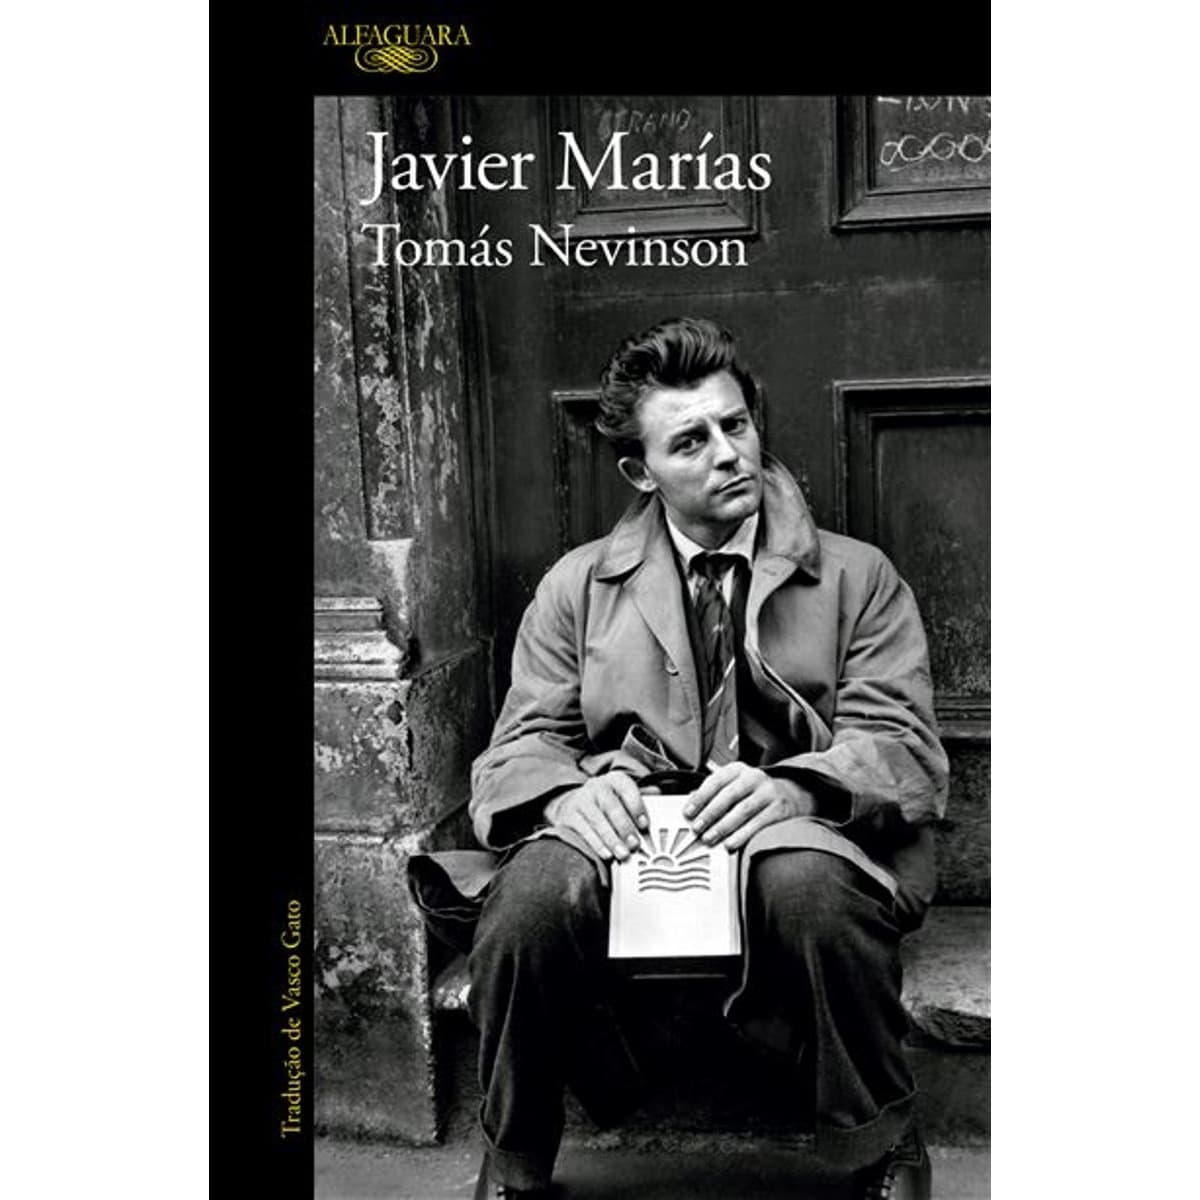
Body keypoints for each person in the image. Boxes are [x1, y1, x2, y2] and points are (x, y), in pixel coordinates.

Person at [411, 317, 949, 1200]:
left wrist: (799, 790)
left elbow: (903, 747)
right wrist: (563, 800)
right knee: (529, 901)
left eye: (736, 425)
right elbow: (519, 748)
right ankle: (515, 1166)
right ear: (640, 471)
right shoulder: (577, 586)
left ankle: (880, 1144)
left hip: (797, 840)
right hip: (637, 841)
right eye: (690, 441)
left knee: (806, 887)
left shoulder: (859, 578)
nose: (729, 454)